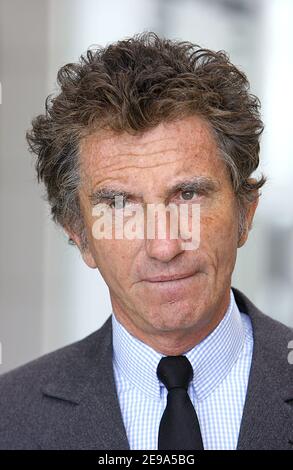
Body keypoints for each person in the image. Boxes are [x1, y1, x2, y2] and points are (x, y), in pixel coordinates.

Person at [0, 32, 292, 451]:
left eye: (188, 195)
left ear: (245, 213)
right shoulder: (9, 419)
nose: (164, 246)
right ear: (80, 235)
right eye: (120, 205)